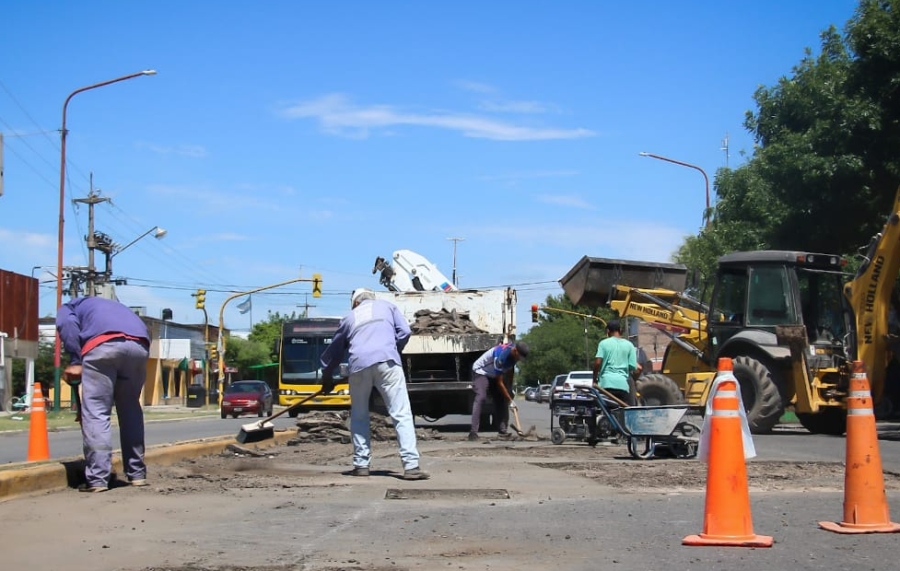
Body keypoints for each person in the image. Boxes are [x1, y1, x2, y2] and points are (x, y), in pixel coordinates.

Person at [319, 288, 429, 480]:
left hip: (359, 366)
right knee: (401, 413)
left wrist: (327, 376)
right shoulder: (388, 306)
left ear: (355, 303)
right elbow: (404, 331)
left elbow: (334, 352)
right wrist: (393, 349)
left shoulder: (349, 317)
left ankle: (361, 464)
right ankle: (411, 466)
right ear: (372, 299)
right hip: (387, 362)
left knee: (359, 415)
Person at [56, 296, 151, 492]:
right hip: (139, 347)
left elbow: (66, 324)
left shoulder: (69, 307)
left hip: (103, 347)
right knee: (130, 409)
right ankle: (137, 474)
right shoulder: (117, 307)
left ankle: (98, 478)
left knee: (97, 412)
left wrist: (75, 360)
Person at [588, 320, 641, 446]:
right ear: (620, 330)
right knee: (625, 410)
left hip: (606, 385)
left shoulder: (604, 343)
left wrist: (594, 378)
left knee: (594, 408)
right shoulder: (629, 345)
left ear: (607, 331)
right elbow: (636, 368)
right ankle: (625, 434)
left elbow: (597, 363)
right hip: (623, 385)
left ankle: (594, 435)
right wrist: (634, 380)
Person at [468, 341, 529, 441]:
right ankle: (473, 432)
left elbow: (509, 372)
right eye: (519, 357)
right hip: (481, 371)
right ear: (515, 351)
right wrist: (510, 401)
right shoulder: (501, 357)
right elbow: (499, 382)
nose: (518, 359)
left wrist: (509, 390)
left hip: (493, 374)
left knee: (502, 398)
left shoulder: (514, 356)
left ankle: (502, 431)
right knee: (481, 397)